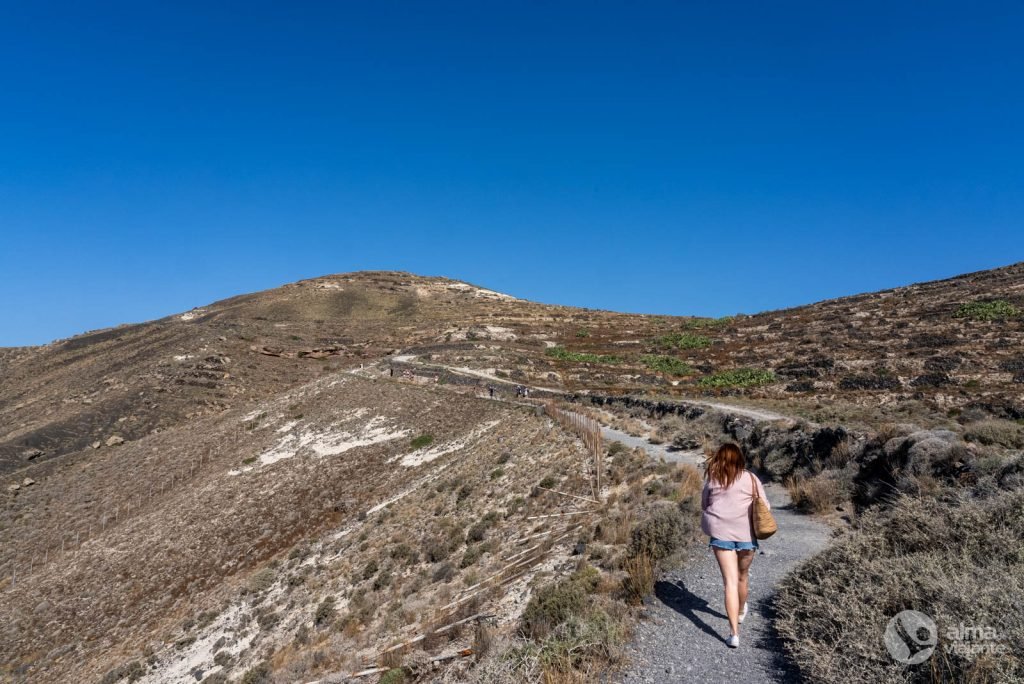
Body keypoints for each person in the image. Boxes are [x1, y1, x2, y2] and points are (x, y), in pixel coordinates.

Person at [700, 443, 770, 649]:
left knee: (729, 582)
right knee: (742, 576)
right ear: (739, 458)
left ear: (719, 458)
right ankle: (740, 612)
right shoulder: (750, 478)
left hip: (721, 533)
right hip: (747, 534)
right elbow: (765, 506)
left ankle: (734, 634)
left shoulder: (714, 479)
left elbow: (704, 505)